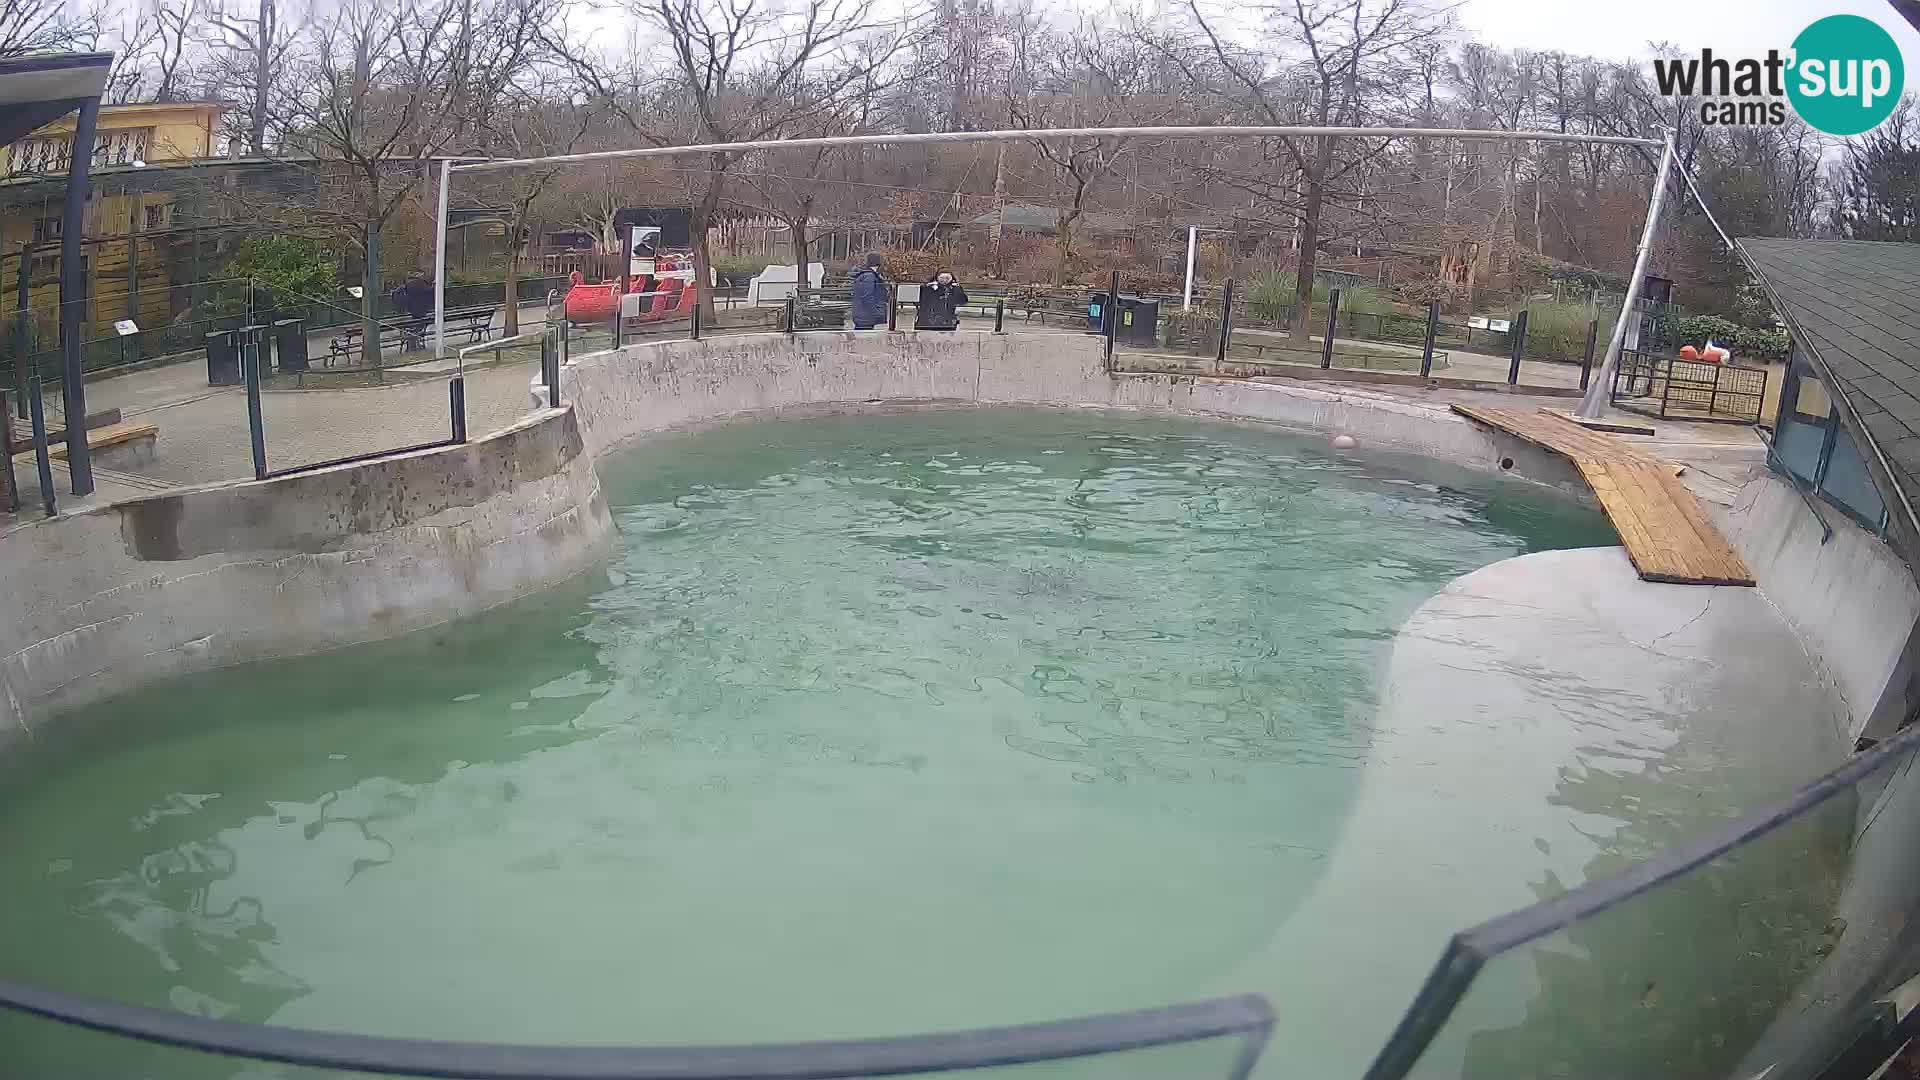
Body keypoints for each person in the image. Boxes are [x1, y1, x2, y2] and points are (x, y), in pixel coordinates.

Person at [397, 271, 435, 350]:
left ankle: (413, 344)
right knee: (417, 325)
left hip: (412, 314)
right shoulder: (424, 285)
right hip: (423, 314)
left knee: (411, 325)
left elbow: (402, 300)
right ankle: (415, 342)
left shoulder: (408, 286)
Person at [850, 253, 889, 330]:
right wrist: (876, 312)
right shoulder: (870, 276)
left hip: (863, 316)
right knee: (863, 335)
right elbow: (867, 297)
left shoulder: (867, 275)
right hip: (866, 317)